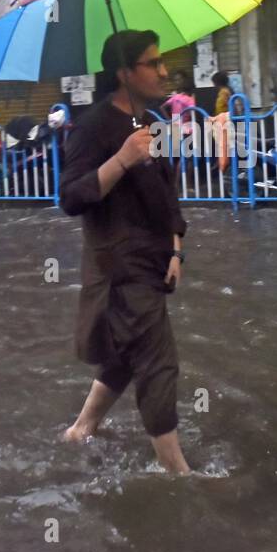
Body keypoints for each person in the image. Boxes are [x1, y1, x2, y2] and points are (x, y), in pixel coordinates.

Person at [59, 30, 191, 475]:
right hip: (119, 271)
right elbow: (72, 197)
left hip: (153, 263)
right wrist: (120, 160)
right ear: (123, 73)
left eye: (161, 62)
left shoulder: (152, 124)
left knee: (122, 357)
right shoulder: (92, 128)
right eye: (152, 63)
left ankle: (80, 430)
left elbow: (168, 197)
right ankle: (179, 477)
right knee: (157, 363)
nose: (162, 71)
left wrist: (176, 249)